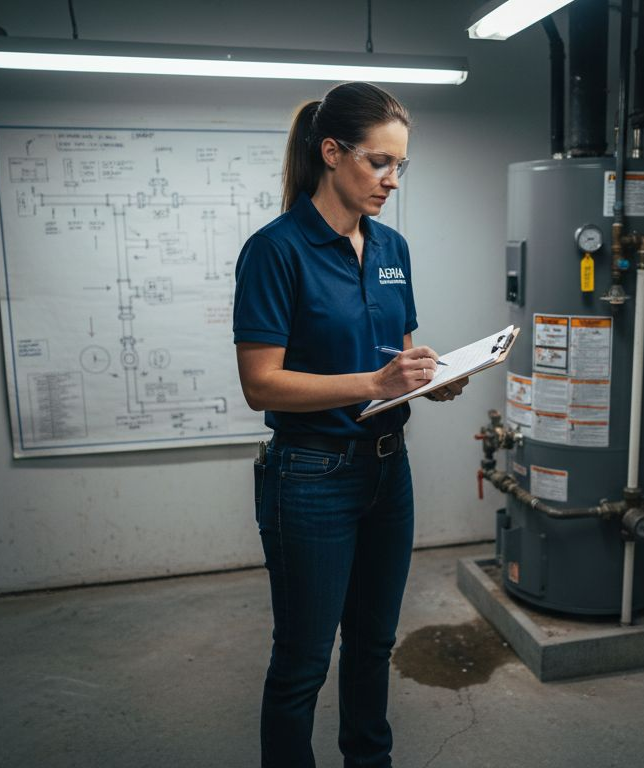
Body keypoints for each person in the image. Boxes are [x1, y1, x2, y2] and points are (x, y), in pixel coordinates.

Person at [232, 82, 467, 768]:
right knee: (303, 661)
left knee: (372, 645)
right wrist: (375, 383)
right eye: (379, 162)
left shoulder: (392, 247)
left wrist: (432, 379)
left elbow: (401, 357)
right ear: (332, 153)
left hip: (388, 470)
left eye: (401, 165)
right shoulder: (276, 250)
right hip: (311, 477)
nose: (392, 179)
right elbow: (260, 384)